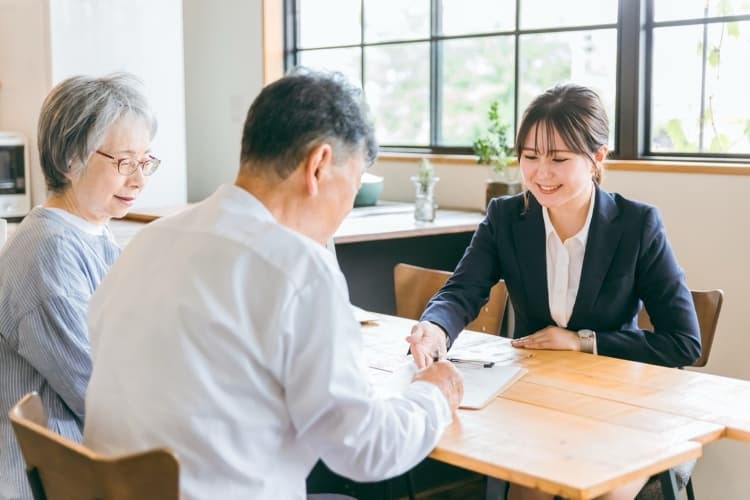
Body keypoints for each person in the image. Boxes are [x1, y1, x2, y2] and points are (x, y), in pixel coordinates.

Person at [82, 69, 464, 499]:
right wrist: (433, 395)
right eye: (352, 187)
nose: (344, 211)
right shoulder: (298, 268)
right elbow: (365, 451)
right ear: (319, 165)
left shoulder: (148, 241)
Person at [406, 83, 700, 500]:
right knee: (530, 493)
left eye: (559, 159)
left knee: (605, 494)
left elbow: (683, 342)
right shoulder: (506, 218)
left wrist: (583, 342)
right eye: (530, 157)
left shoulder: (637, 226)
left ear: (597, 158)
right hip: (536, 401)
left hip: (619, 406)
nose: (541, 174)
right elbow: (462, 290)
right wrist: (434, 327)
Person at [0, 73, 159, 499]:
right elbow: (100, 393)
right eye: (125, 163)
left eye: (144, 162)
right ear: (71, 158)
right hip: (63, 480)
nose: (139, 180)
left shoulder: (92, 231)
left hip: (90, 466)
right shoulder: (47, 252)